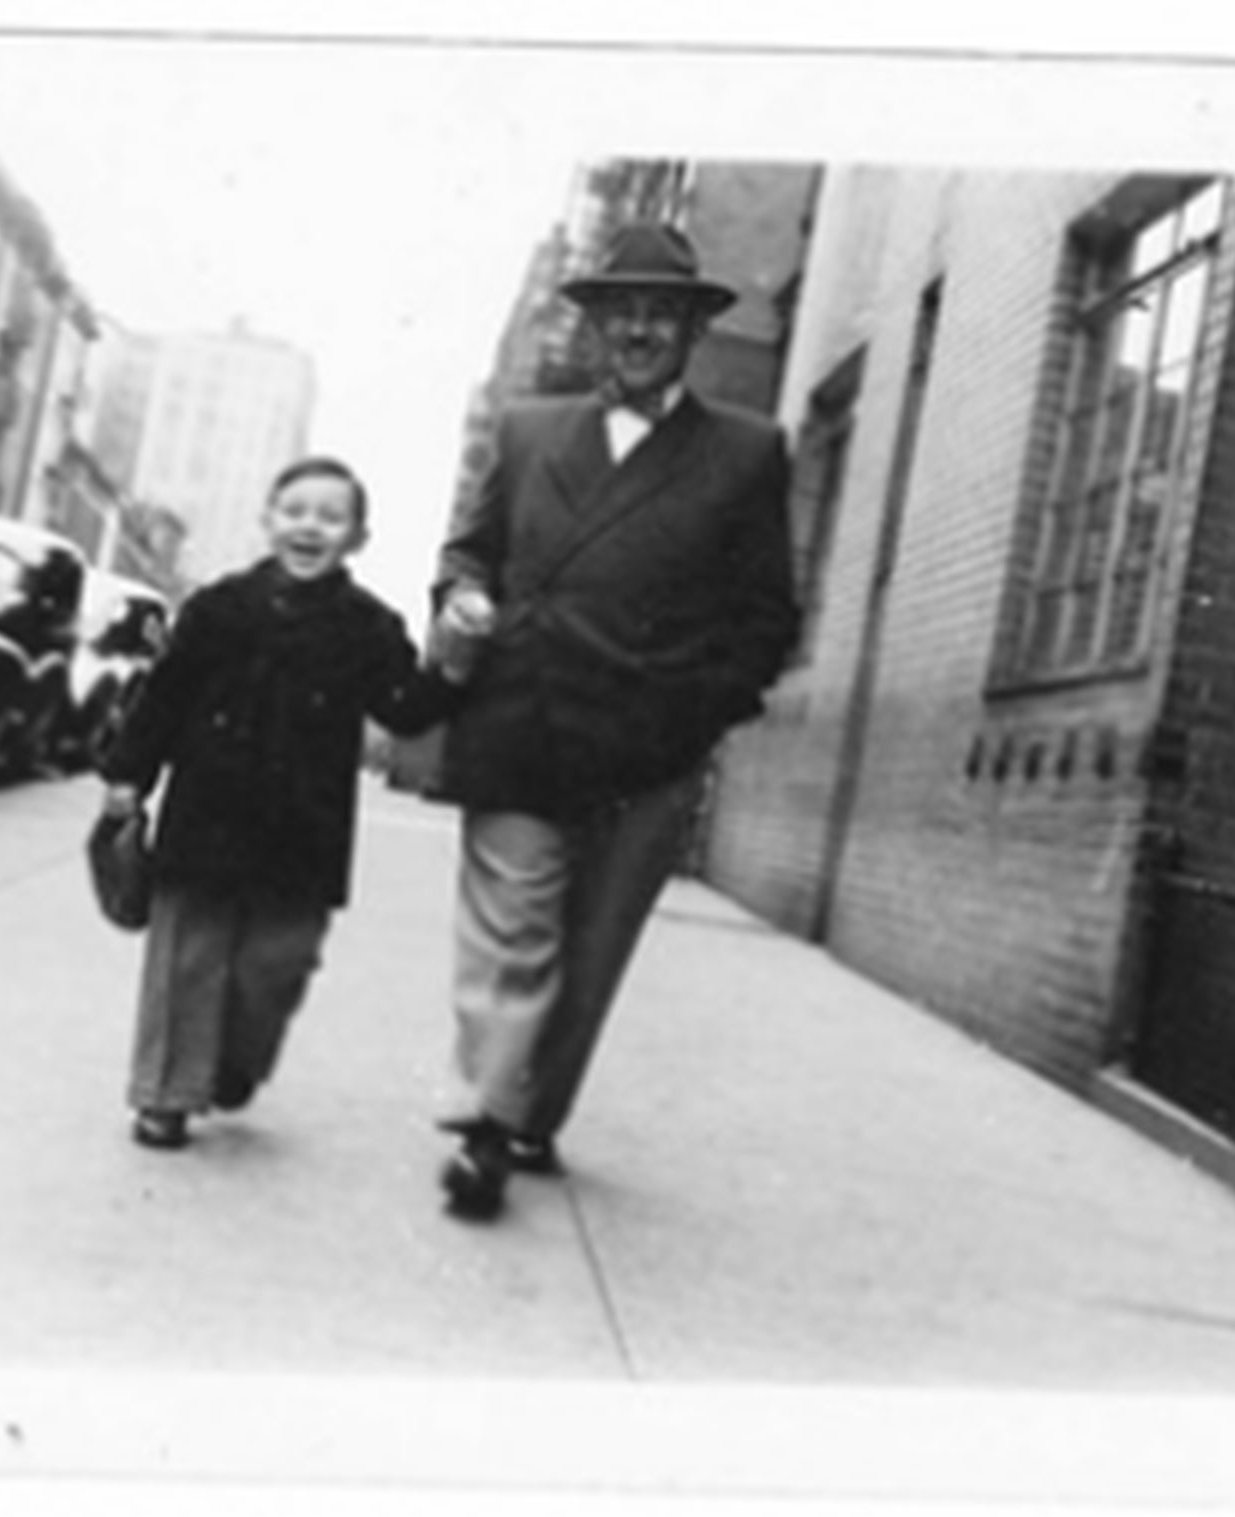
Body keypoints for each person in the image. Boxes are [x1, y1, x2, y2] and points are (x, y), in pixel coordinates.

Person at [427, 222, 801, 1219]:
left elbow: (766, 620)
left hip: (648, 746)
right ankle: (480, 1126)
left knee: (588, 954)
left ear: (691, 332)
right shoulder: (525, 429)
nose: (637, 330)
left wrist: (693, 712)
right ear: (592, 327)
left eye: (660, 314)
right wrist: (462, 599)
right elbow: (467, 552)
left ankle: (528, 1114)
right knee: (511, 937)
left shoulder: (746, 451)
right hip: (522, 716)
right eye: (619, 311)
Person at [100, 456, 457, 1150]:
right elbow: (162, 699)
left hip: (302, 827)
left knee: (276, 966)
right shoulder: (216, 608)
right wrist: (128, 777)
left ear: (357, 537)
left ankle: (233, 1058)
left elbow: (406, 710)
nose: (309, 527)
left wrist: (455, 668)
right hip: (206, 813)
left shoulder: (368, 626)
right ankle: (165, 1095)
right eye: (295, 511)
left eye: (331, 517)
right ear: (268, 520)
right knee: (186, 959)